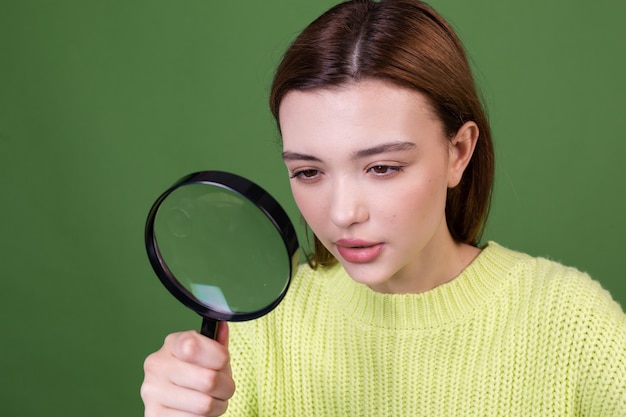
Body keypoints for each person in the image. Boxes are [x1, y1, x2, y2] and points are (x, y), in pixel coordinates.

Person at [140, 0, 626, 415]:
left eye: (383, 167)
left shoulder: (575, 325)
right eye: (309, 172)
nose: (342, 213)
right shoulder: (256, 336)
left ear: (458, 152)